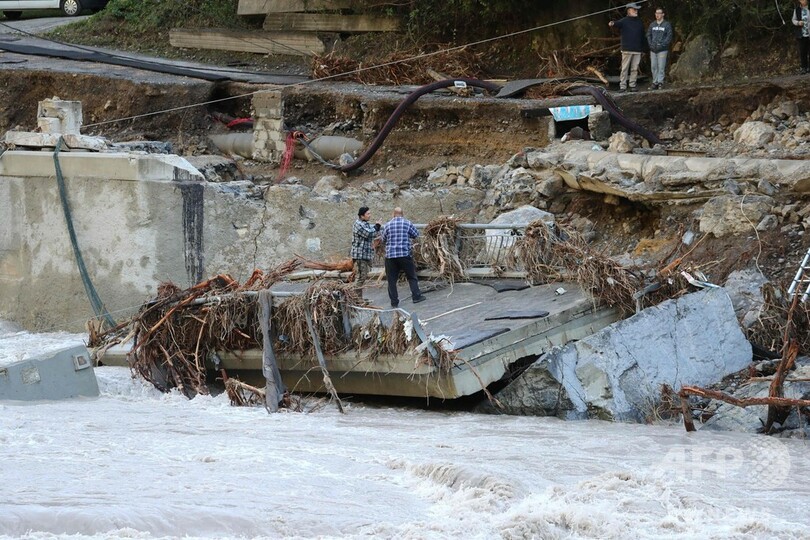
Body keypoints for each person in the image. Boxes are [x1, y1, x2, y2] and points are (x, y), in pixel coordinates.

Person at [380, 207, 425, 308]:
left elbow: (383, 239)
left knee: (391, 280)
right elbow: (416, 234)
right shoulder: (407, 223)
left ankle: (394, 302)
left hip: (390, 256)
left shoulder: (387, 225)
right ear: (402, 214)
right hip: (404, 255)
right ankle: (416, 297)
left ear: (393, 214)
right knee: (411, 276)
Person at [609, 3, 646, 92]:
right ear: (629, 11)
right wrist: (612, 23)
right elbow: (616, 23)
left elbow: (642, 36)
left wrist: (644, 49)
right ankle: (623, 86)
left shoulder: (639, 22)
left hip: (637, 50)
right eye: (634, 9)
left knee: (634, 69)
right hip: (626, 49)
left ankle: (632, 85)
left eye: (637, 10)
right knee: (624, 68)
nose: (636, 11)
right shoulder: (624, 21)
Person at [350, 206, 380, 303]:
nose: (370, 215)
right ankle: (355, 299)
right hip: (360, 255)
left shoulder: (365, 224)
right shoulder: (358, 224)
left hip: (365, 254)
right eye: (368, 214)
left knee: (363, 276)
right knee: (361, 277)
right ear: (362, 216)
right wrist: (377, 227)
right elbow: (368, 233)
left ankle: (359, 298)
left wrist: (376, 228)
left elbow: (374, 232)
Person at [646, 7, 673, 89]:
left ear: (663, 14)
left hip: (662, 49)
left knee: (661, 66)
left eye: (659, 13)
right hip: (653, 49)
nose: (657, 15)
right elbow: (648, 35)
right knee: (653, 66)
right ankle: (655, 82)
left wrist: (662, 45)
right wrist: (650, 44)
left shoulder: (666, 24)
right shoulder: (652, 24)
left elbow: (669, 36)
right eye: (656, 13)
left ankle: (660, 82)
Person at [793, 0, 810, 74]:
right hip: (801, 35)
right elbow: (793, 20)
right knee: (803, 52)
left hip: (809, 34)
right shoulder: (797, 10)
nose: (803, 1)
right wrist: (798, 22)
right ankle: (804, 67)